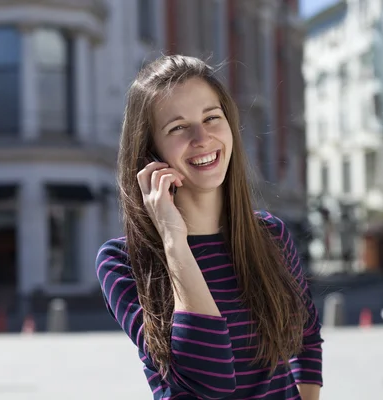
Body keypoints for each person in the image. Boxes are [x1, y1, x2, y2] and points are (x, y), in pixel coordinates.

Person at [95, 55, 323, 399]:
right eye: (178, 128)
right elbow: (210, 377)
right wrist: (174, 240)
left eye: (211, 118)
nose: (201, 137)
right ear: (149, 154)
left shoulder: (271, 236)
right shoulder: (122, 261)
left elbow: (306, 337)